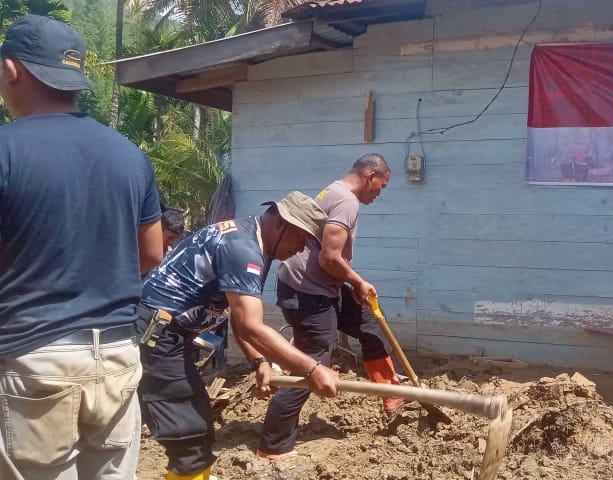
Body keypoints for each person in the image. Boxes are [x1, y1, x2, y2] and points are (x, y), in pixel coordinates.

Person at [0, 14, 164, 480]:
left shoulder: (6, 149)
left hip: (36, 359)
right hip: (115, 356)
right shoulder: (128, 154)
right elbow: (152, 252)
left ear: (12, 70)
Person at [137, 192, 340, 480]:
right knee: (190, 438)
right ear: (283, 225)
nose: (302, 249)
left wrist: (259, 362)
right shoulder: (243, 248)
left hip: (164, 334)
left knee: (182, 431)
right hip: (158, 336)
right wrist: (312, 367)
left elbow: (239, 319)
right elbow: (252, 327)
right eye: (302, 240)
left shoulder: (250, 239)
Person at [257, 153, 398, 460]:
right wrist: (358, 281)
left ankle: (391, 392)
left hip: (318, 286)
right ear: (370, 176)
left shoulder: (329, 191)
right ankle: (273, 446)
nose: (379, 193)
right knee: (312, 363)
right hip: (309, 291)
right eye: (381, 186)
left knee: (369, 321)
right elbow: (329, 258)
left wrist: (351, 286)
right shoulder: (346, 201)